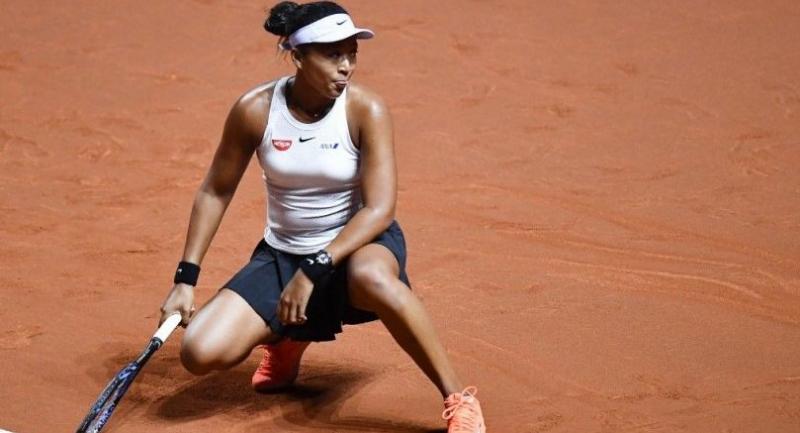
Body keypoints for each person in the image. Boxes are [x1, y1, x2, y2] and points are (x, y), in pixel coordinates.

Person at [158, 2, 486, 432]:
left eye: (351, 53)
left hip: (360, 243)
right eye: (332, 55)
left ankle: (457, 398)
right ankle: (289, 337)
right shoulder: (255, 110)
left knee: (376, 280)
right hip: (284, 253)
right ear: (297, 56)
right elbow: (216, 190)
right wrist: (186, 278)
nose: (346, 66)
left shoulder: (365, 109)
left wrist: (316, 266)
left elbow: (379, 209)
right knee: (199, 352)